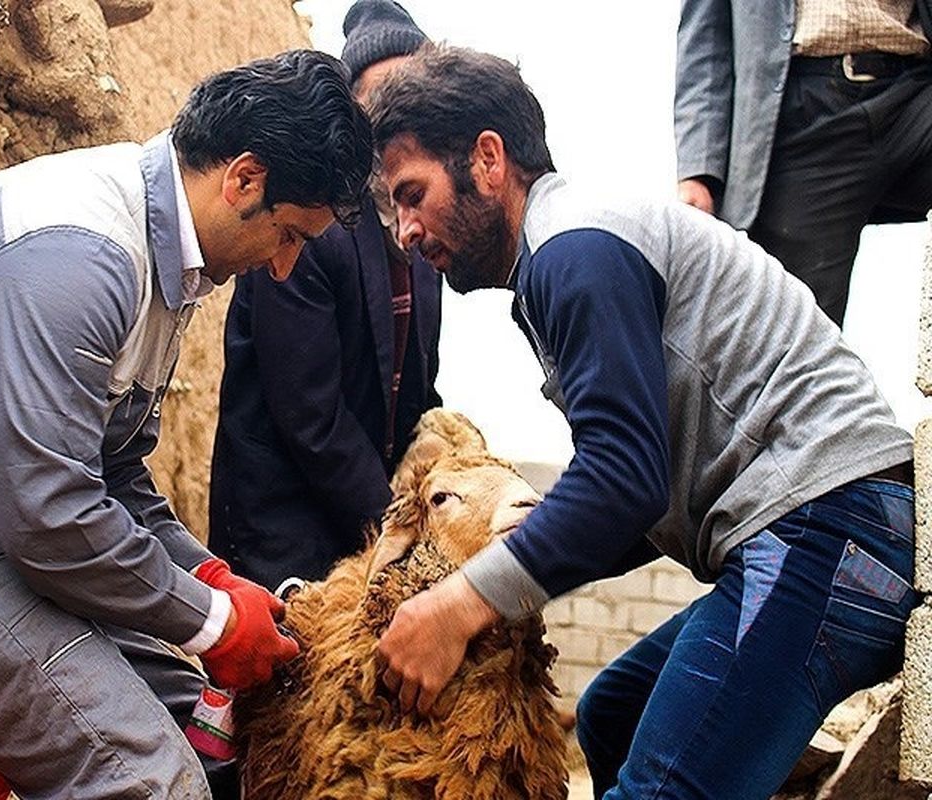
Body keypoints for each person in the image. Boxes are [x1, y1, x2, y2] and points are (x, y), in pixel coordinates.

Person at [0, 50, 373, 800]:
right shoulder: (80, 251)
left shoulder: (169, 263)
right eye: (292, 234)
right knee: (148, 779)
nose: (285, 266)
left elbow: (112, 473)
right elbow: (51, 517)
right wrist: (213, 624)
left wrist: (209, 577)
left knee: (209, 738)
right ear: (244, 179)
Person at [367, 44, 920, 800]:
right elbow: (633, 499)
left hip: (829, 532)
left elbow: (623, 481)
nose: (403, 230)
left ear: (488, 160)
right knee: (614, 712)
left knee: (660, 789)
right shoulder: (567, 256)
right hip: (821, 530)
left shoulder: (575, 251)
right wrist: (502, 580)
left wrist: (460, 605)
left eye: (410, 193)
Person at [208, 0, 441, 591]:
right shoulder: (306, 224)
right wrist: (397, 529)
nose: (405, 113)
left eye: (420, 91)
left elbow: (413, 390)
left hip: (360, 528)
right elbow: (311, 419)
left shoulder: (423, 229)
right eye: (387, 96)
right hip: (281, 535)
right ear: (356, 114)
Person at [675, 0, 932, 326]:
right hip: (806, 111)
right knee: (801, 330)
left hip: (914, 89)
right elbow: (705, 42)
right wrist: (699, 173)